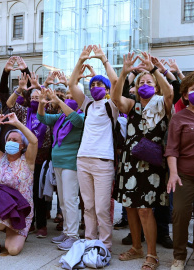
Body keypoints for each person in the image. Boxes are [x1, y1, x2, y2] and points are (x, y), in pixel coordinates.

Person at [114, 52, 173, 270]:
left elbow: (170, 93)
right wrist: (124, 73)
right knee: (130, 207)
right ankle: (136, 247)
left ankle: (152, 254)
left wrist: (155, 70)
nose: (145, 84)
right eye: (141, 82)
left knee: (145, 210)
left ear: (156, 87)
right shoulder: (132, 105)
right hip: (129, 162)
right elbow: (115, 98)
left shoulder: (162, 104)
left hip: (151, 165)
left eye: (149, 82)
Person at [68, 45, 119, 252]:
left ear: (106, 90)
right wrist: (80, 61)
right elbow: (71, 84)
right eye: (93, 84)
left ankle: (105, 244)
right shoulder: (87, 105)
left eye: (100, 84)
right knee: (87, 206)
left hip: (103, 162)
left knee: (101, 209)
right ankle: (90, 241)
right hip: (83, 160)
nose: (96, 86)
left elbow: (115, 81)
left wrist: (104, 60)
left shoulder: (111, 106)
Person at [0, 112, 38, 255]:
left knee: (13, 250)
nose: (11, 142)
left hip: (21, 209)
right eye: (9, 139)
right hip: (1, 207)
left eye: (16, 140)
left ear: (22, 145)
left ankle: (13, 230)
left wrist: (16, 123)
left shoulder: (28, 160)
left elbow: (34, 141)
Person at [165, 72, 194, 270]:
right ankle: (179, 256)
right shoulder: (179, 118)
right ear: (185, 95)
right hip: (185, 176)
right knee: (181, 214)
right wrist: (173, 173)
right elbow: (172, 148)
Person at [37, 88, 84, 250]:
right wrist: (42, 103)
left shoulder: (81, 116)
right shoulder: (60, 117)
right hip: (58, 163)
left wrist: (60, 101)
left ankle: (73, 236)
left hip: (71, 164)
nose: (70, 99)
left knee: (70, 200)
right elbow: (41, 117)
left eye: (73, 98)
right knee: (63, 200)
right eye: (68, 97)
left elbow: (76, 120)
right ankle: (66, 231)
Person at [7, 75, 51, 238]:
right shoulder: (24, 113)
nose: (34, 100)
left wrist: (42, 86)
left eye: (38, 98)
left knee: (38, 192)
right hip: (25, 157)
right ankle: (28, 222)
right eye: (32, 97)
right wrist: (19, 88)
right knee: (26, 190)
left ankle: (42, 224)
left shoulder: (50, 111)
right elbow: (10, 104)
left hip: (43, 157)